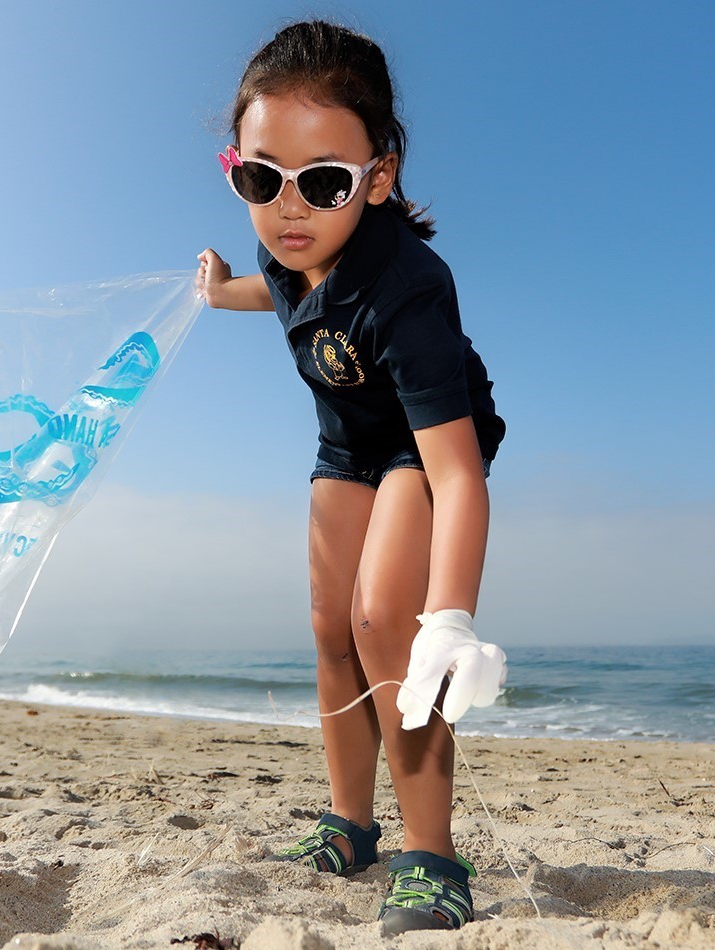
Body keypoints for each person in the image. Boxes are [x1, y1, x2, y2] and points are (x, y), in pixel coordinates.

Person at [196, 21, 508, 935]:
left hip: (425, 445)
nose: (288, 211)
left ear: (377, 175)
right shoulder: (284, 243)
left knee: (387, 630)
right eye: (259, 180)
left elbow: (457, 476)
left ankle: (434, 854)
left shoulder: (407, 291)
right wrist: (222, 292)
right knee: (331, 627)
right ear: (238, 167)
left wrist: (451, 619)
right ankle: (352, 825)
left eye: (324, 182)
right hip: (346, 448)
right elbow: (283, 285)